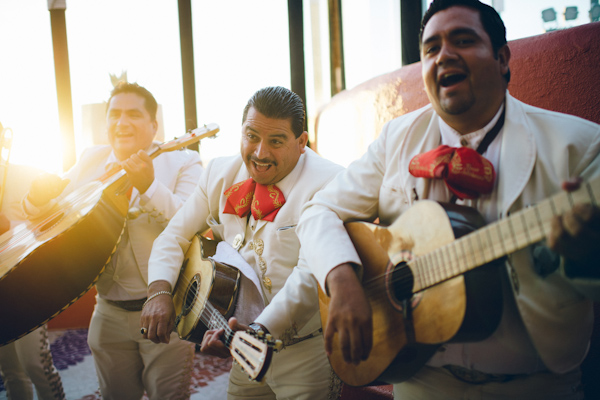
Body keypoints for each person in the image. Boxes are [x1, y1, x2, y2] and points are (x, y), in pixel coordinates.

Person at [296, 1, 600, 399]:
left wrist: (587, 258)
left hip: (537, 386)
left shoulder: (582, 146)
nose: (445, 55)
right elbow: (318, 210)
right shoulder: (396, 139)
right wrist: (341, 278)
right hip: (419, 383)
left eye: (463, 40)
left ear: (503, 58)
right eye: (431, 48)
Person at [140, 86, 344, 400]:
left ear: (302, 142)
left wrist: (259, 332)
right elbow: (174, 233)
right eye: (251, 136)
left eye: (276, 141)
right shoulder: (218, 173)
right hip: (242, 353)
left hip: (305, 349)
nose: (260, 153)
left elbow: (310, 274)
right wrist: (160, 291)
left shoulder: (330, 182)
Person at [21, 82, 203, 400]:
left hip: (167, 311)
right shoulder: (91, 160)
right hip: (108, 314)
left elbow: (190, 223)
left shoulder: (184, 162)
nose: (122, 122)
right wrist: (35, 200)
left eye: (134, 114)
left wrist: (148, 187)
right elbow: (49, 212)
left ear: (154, 125)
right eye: (114, 114)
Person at [0, 163, 66, 400]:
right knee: (10, 370)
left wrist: (9, 228)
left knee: (36, 364)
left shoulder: (23, 174)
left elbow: (46, 223)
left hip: (24, 281)